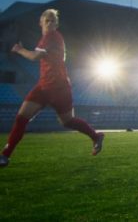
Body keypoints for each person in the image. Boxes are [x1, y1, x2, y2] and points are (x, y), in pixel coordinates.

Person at [1, 9, 104, 167]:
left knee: (67, 121)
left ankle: (96, 136)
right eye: (46, 20)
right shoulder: (48, 39)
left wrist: (19, 49)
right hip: (44, 86)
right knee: (21, 118)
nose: (49, 23)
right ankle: (5, 156)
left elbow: (34, 57)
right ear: (40, 22)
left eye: (52, 21)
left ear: (56, 25)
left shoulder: (52, 37)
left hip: (59, 88)